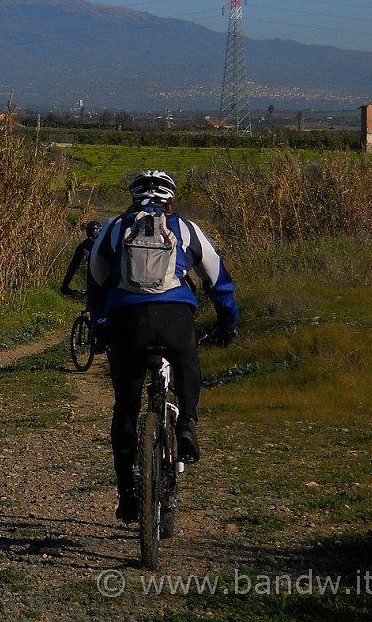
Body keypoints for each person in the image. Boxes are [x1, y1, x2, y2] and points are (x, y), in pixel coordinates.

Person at [87, 170, 238, 524]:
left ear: (133, 197)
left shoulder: (113, 228)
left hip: (128, 322)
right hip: (174, 318)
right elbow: (218, 280)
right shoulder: (185, 228)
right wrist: (228, 323)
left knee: (125, 408)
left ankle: (127, 494)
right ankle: (186, 423)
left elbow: (95, 281)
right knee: (187, 362)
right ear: (169, 201)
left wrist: (102, 325)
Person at [60, 220, 103, 296]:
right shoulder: (86, 245)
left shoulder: (85, 245)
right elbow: (74, 265)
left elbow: (73, 265)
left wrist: (65, 284)